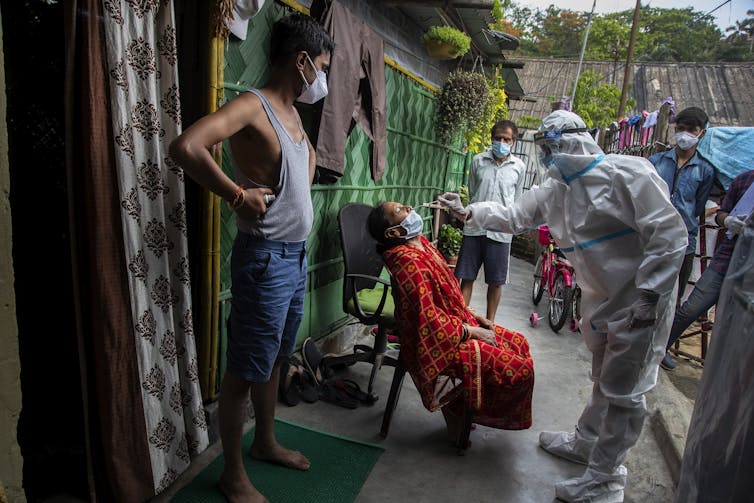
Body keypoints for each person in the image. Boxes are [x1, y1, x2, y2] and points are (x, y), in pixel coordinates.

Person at [438, 110, 687, 503]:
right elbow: (512, 216)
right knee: (604, 376)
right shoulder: (555, 190)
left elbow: (671, 236)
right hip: (602, 296)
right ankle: (586, 442)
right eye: (545, 148)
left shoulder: (629, 174)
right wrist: (468, 211)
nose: (548, 156)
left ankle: (607, 479)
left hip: (640, 298)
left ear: (576, 140)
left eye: (553, 147)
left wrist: (651, 295)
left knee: (627, 391)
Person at [169, 15, 333, 503]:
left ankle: (264, 441)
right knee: (244, 369)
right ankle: (231, 474)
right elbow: (187, 146)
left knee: (277, 359)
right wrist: (237, 195)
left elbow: (300, 172)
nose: (321, 79)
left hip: (295, 258)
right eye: (320, 67)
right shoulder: (252, 106)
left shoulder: (294, 116)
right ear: (301, 61)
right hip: (264, 261)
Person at [367, 202, 534, 445]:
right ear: (394, 233)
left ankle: (465, 408)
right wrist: (472, 332)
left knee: (519, 342)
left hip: (457, 324)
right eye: (401, 210)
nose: (409, 207)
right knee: (520, 369)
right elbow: (426, 320)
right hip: (438, 342)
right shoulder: (407, 263)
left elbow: (447, 296)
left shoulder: (421, 244)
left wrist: (473, 316)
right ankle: (464, 409)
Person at [660, 168, 754, 370]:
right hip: (726, 259)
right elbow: (721, 213)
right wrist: (728, 221)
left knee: (734, 324)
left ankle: (721, 370)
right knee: (690, 309)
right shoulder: (744, 180)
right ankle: (660, 348)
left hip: (750, 271)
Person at [455, 120, 525, 322]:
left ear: (513, 142)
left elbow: (517, 199)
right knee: (467, 277)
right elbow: (473, 190)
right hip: (474, 229)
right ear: (491, 138)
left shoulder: (518, 167)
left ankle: (490, 324)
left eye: (506, 139)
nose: (501, 142)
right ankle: (461, 322)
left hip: (501, 232)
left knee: (496, 282)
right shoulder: (478, 161)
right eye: (498, 138)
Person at [648, 107, 715, 307]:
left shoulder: (705, 170)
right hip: (654, 239)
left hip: (684, 243)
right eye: (681, 128)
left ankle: (665, 339)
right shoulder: (656, 162)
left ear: (701, 133)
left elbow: (697, 208)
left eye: (691, 130)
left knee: (672, 300)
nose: (685, 134)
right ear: (675, 129)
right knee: (646, 295)